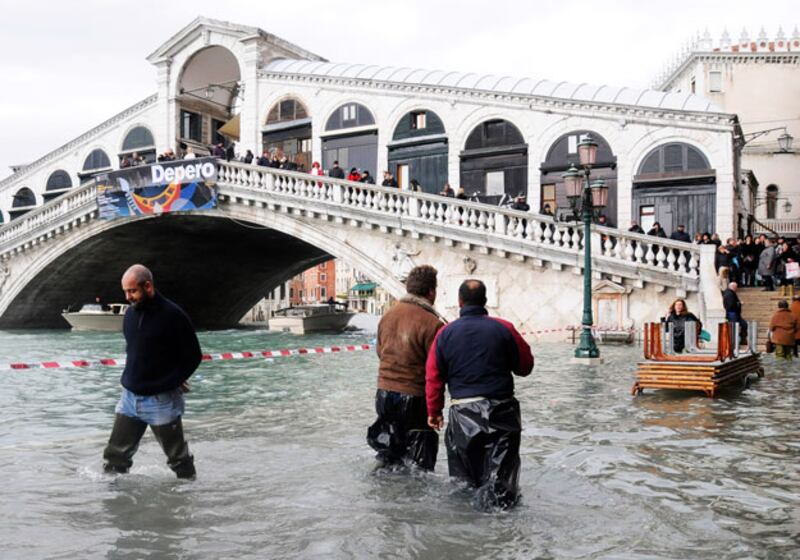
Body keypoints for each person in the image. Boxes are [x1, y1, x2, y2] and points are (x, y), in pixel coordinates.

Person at [425, 279, 534, 510]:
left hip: (463, 414)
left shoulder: (445, 334)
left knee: (463, 487)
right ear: (485, 301)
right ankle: (503, 536)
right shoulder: (504, 328)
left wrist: (434, 412)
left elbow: (434, 377)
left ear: (459, 302)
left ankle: (467, 534)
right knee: (502, 486)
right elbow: (525, 367)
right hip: (502, 413)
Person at [102, 264, 202, 479]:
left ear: (148, 286)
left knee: (179, 460)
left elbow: (194, 356)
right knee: (114, 458)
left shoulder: (174, 315)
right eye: (125, 292)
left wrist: (172, 380)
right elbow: (136, 351)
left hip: (161, 401)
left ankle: (189, 501)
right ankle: (113, 505)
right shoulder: (129, 315)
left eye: (132, 291)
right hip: (129, 399)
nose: (128, 297)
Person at [367, 265, 444, 470]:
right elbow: (437, 368)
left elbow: (379, 352)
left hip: (384, 394)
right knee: (420, 463)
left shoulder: (388, 316)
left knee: (388, 453)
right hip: (414, 397)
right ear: (431, 292)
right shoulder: (433, 323)